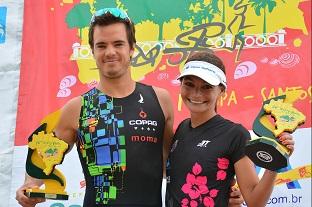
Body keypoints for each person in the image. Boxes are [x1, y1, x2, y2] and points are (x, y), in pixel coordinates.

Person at [15, 8, 243, 207]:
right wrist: (29, 186)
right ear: (92, 51)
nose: (110, 52)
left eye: (118, 44)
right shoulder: (78, 108)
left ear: (132, 48)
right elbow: (42, 156)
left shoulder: (160, 100)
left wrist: (225, 189)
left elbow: (175, 165)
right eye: (101, 45)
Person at [165, 51, 295, 207]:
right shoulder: (182, 128)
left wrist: (275, 161)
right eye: (189, 84)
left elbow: (255, 202)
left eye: (207, 87)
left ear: (222, 91)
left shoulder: (235, 134)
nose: (196, 94)